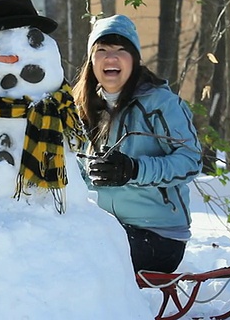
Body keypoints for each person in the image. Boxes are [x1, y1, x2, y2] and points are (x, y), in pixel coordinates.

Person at [72, 14, 202, 273]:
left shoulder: (161, 103)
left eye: (121, 50)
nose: (111, 58)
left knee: (84, 256)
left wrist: (133, 170)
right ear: (92, 61)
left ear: (134, 59)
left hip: (158, 236)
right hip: (107, 227)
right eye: (102, 50)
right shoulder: (84, 109)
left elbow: (190, 161)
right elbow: (76, 169)